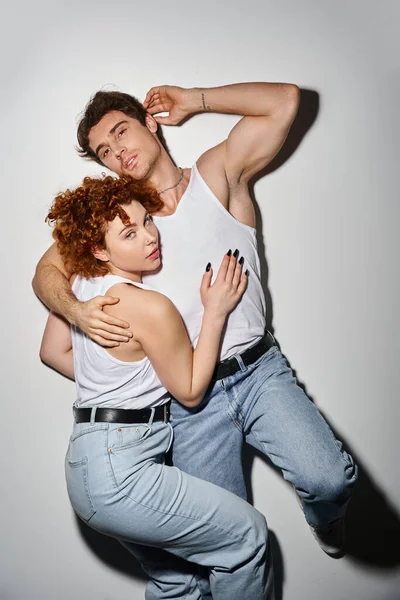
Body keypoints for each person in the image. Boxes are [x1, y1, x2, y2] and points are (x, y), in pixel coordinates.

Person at [33, 82, 357, 594]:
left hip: (258, 370)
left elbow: (286, 102)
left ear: (149, 122)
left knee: (329, 480)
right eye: (105, 151)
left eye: (122, 131)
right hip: (188, 406)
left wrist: (196, 101)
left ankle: (326, 514)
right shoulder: (118, 230)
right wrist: (88, 323)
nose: (118, 151)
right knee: (222, 554)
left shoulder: (214, 175)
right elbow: (44, 275)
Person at [40, 173, 273, 600]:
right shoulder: (150, 306)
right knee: (247, 537)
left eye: (147, 220)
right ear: (99, 248)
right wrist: (216, 311)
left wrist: (123, 380)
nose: (150, 236)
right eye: (129, 233)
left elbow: (53, 352)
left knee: (178, 580)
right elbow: (189, 391)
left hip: (85, 464)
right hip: (121, 472)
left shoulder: (83, 289)